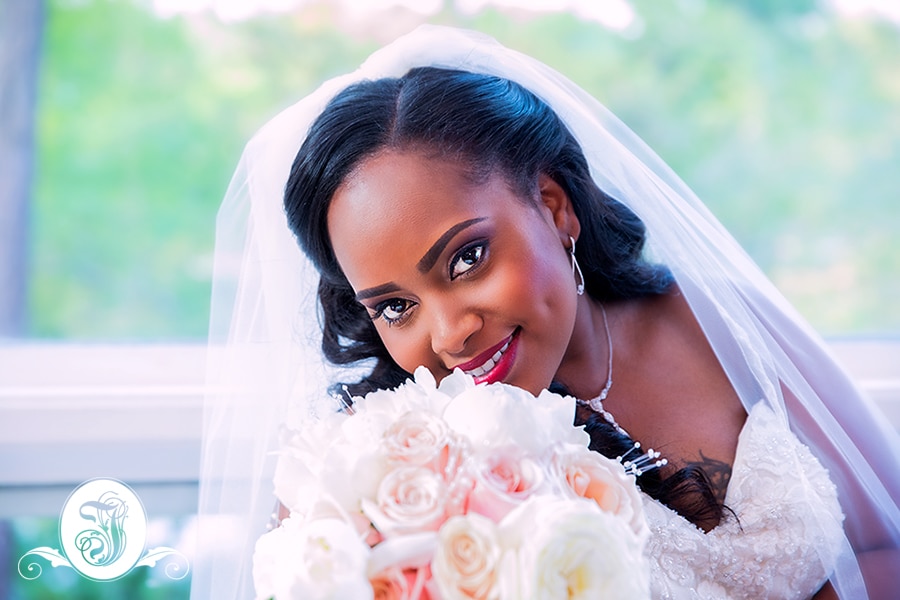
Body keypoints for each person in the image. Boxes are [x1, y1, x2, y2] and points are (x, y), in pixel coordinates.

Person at [192, 26, 900, 599]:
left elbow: (885, 539)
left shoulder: (720, 321)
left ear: (555, 205)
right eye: (397, 305)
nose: (448, 333)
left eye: (466, 258)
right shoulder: (372, 480)